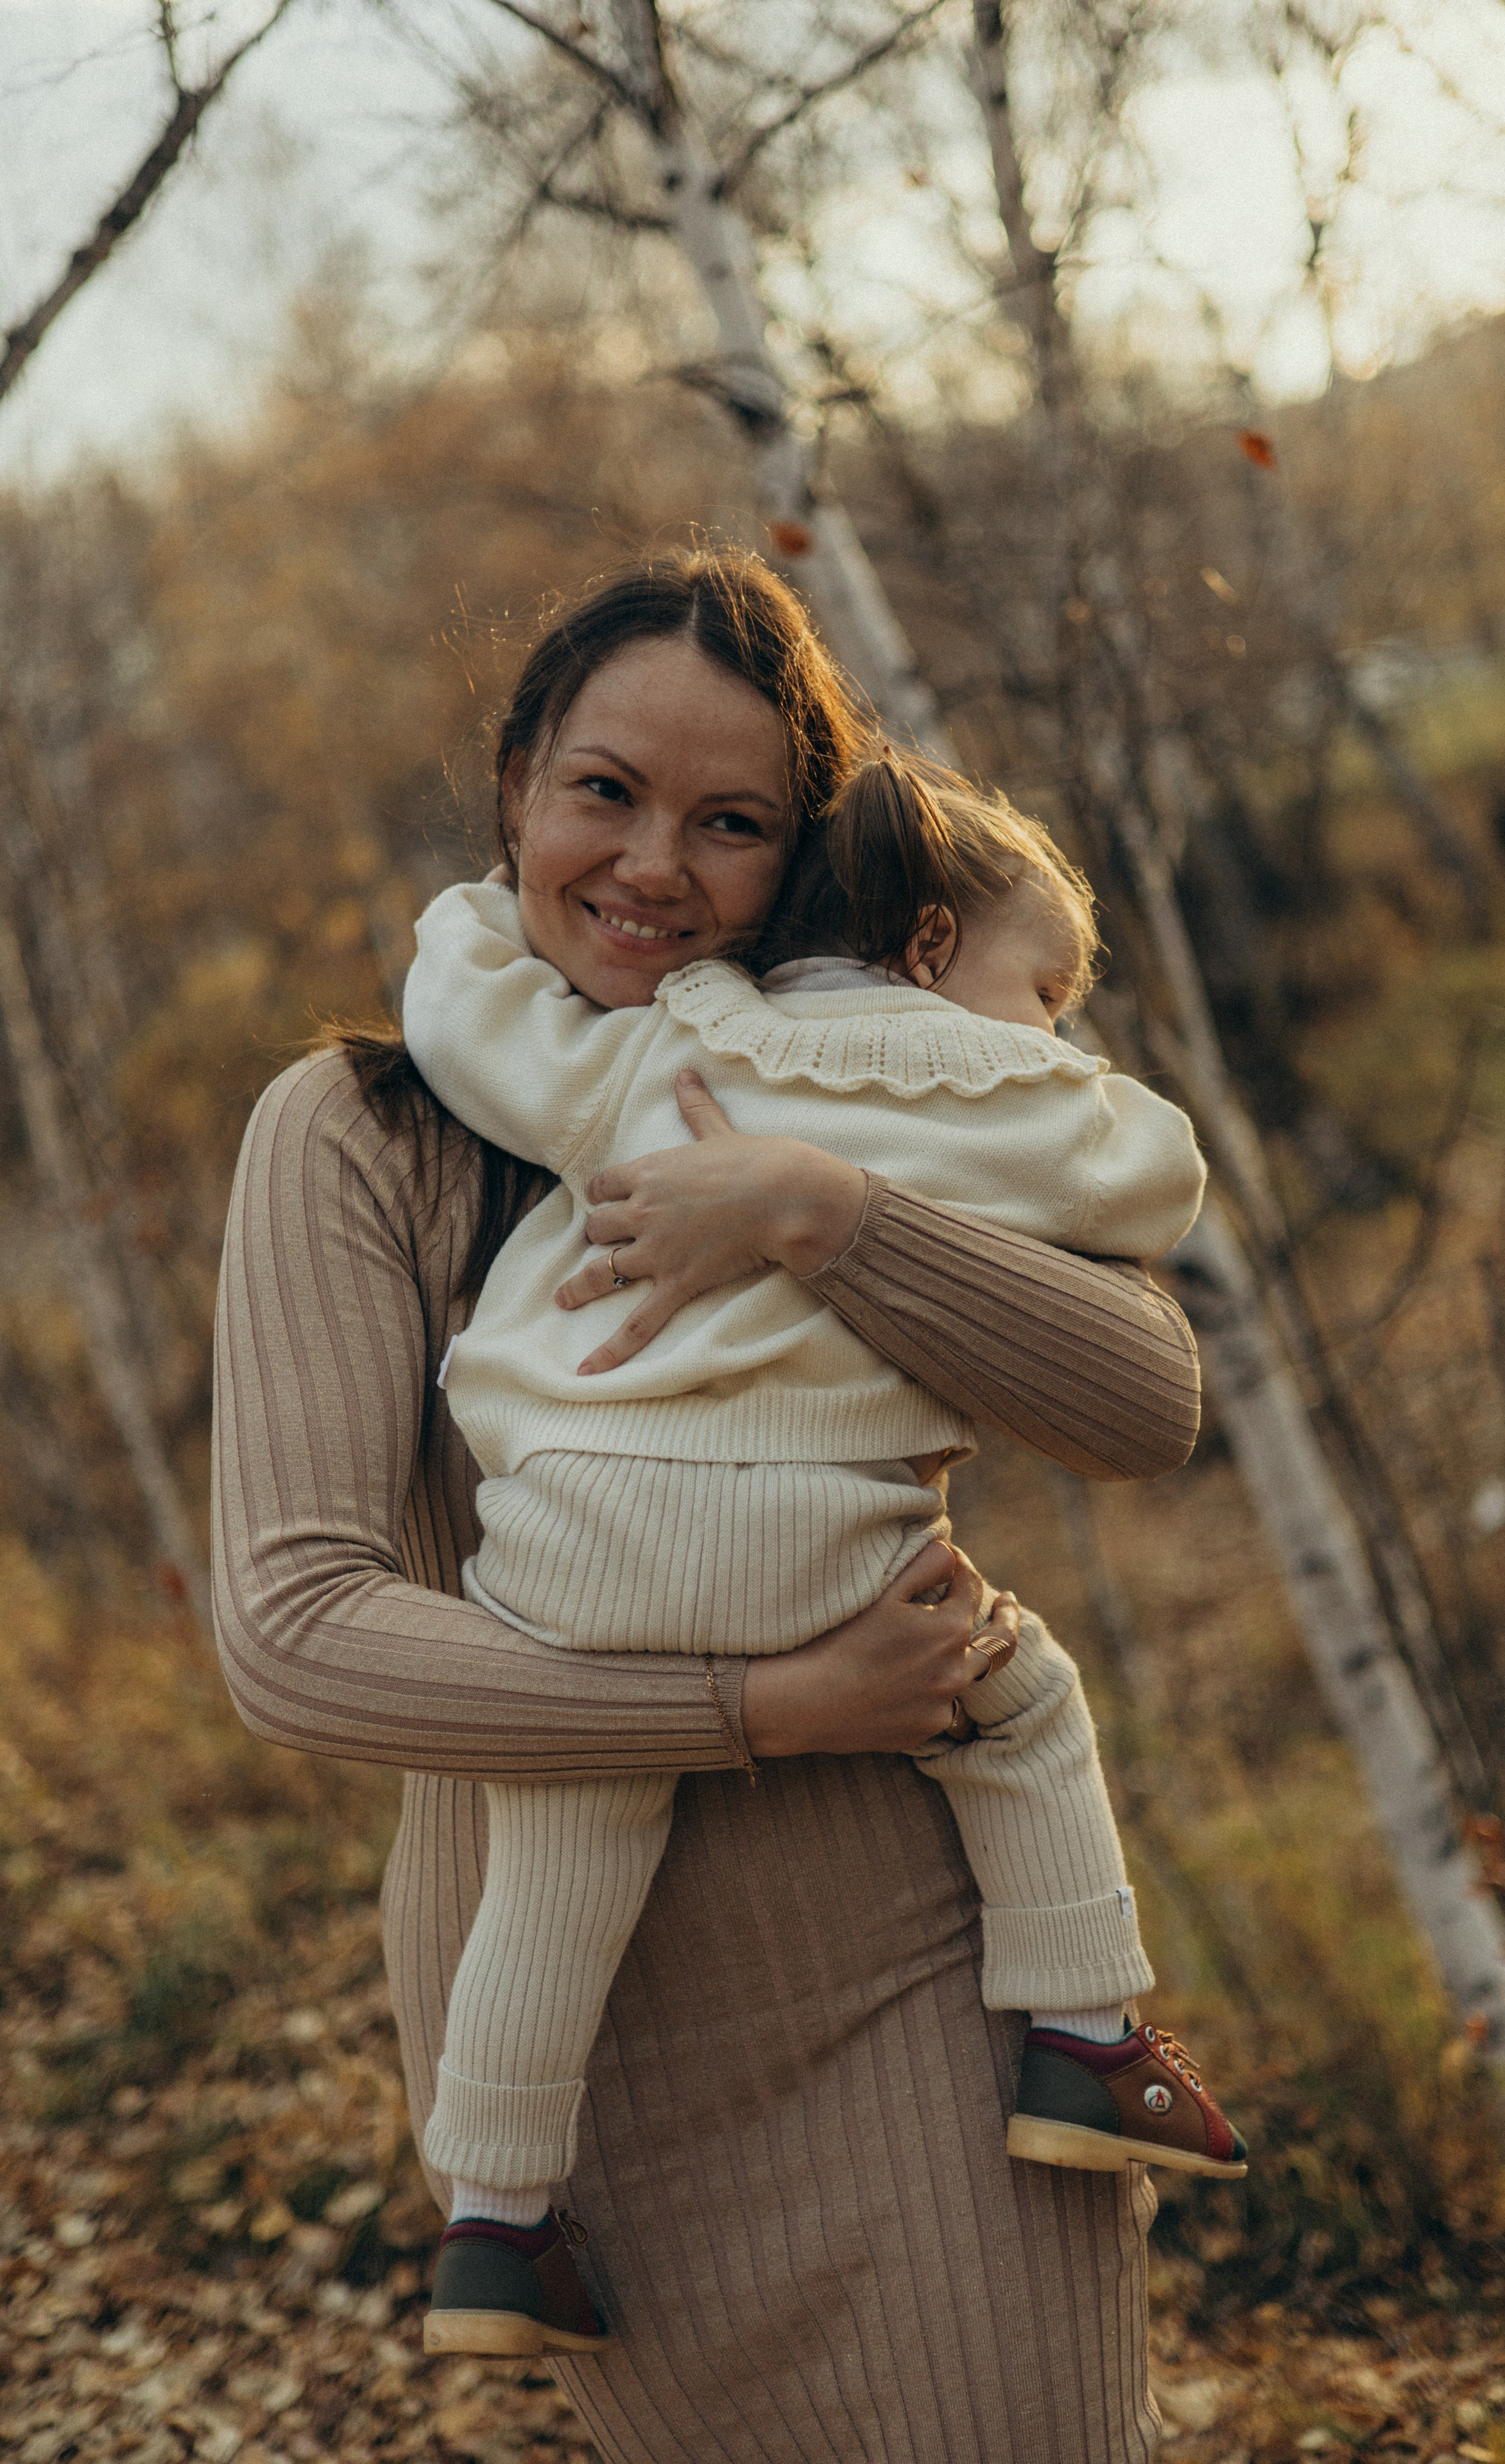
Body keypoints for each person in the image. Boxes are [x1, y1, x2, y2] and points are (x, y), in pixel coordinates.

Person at [212, 547, 1212, 2464]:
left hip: (921, 1973)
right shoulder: (358, 1136)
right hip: (576, 2039)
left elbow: (1143, 1402)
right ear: (519, 782)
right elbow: (296, 1636)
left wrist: (828, 1215)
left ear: (803, 859)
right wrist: (753, 1709)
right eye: (605, 791)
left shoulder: (856, 1086)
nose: (654, 866)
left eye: (731, 822)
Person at [397, 748, 1244, 2356]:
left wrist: (479, 910)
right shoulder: (1010, 1094)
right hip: (816, 1547)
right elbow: (1157, 1181)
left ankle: (494, 2223)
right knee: (1014, 1697)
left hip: (568, 1545)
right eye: (1045, 988)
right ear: (930, 946)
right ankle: (1084, 2038)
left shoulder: (659, 1043)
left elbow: (466, 1025)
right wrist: (1050, 1091)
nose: (1049, 1026)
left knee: (554, 1867)